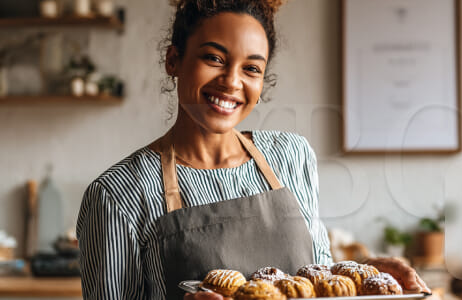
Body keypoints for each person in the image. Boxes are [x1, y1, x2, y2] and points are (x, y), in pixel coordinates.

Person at [77, 0, 430, 299]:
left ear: (261, 84)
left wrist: (361, 276)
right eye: (214, 58)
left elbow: (314, 277)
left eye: (251, 68)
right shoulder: (116, 195)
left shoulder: (291, 155)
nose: (232, 81)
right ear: (173, 60)